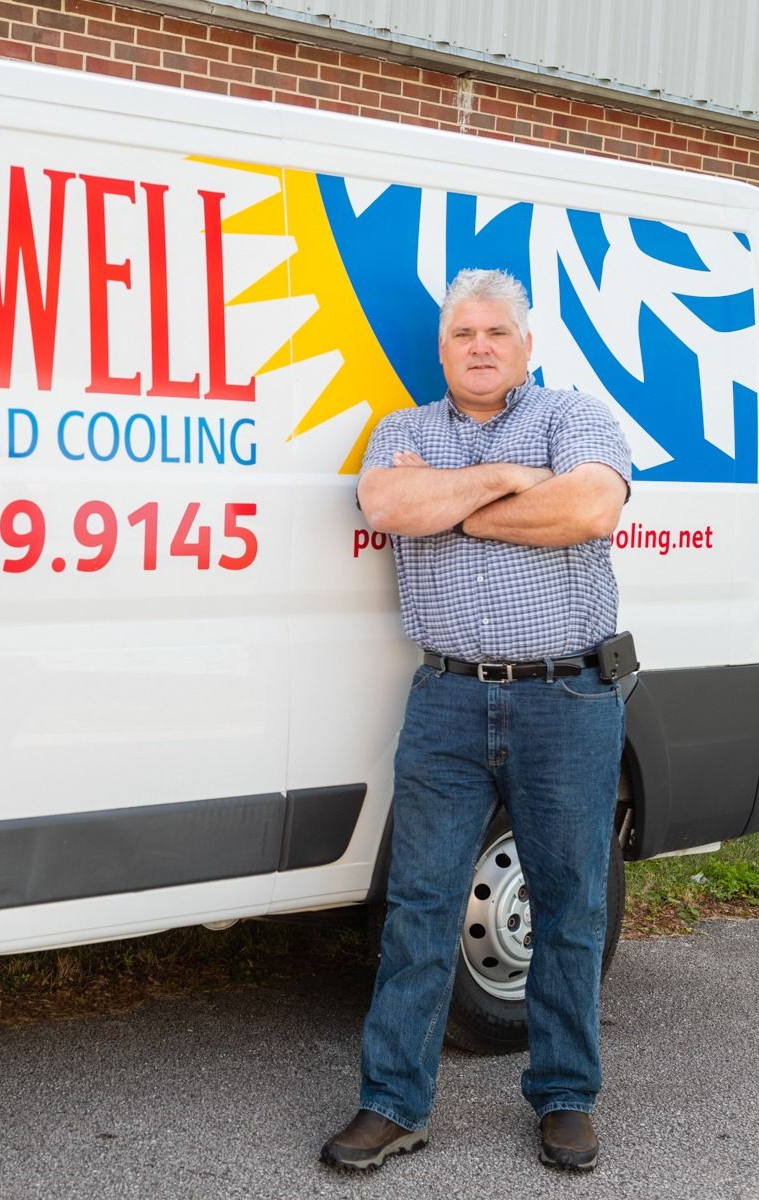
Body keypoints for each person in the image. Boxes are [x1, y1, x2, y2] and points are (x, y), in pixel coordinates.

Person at [321, 268, 632, 1174]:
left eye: (498, 331)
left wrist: (448, 506)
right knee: (419, 905)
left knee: (570, 903)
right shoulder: (403, 432)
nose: (482, 346)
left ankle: (566, 1095)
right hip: (448, 699)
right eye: (464, 334)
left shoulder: (574, 416)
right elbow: (386, 505)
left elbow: (589, 506)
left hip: (565, 697)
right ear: (444, 347)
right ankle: (393, 1103)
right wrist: (499, 479)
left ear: (526, 346)